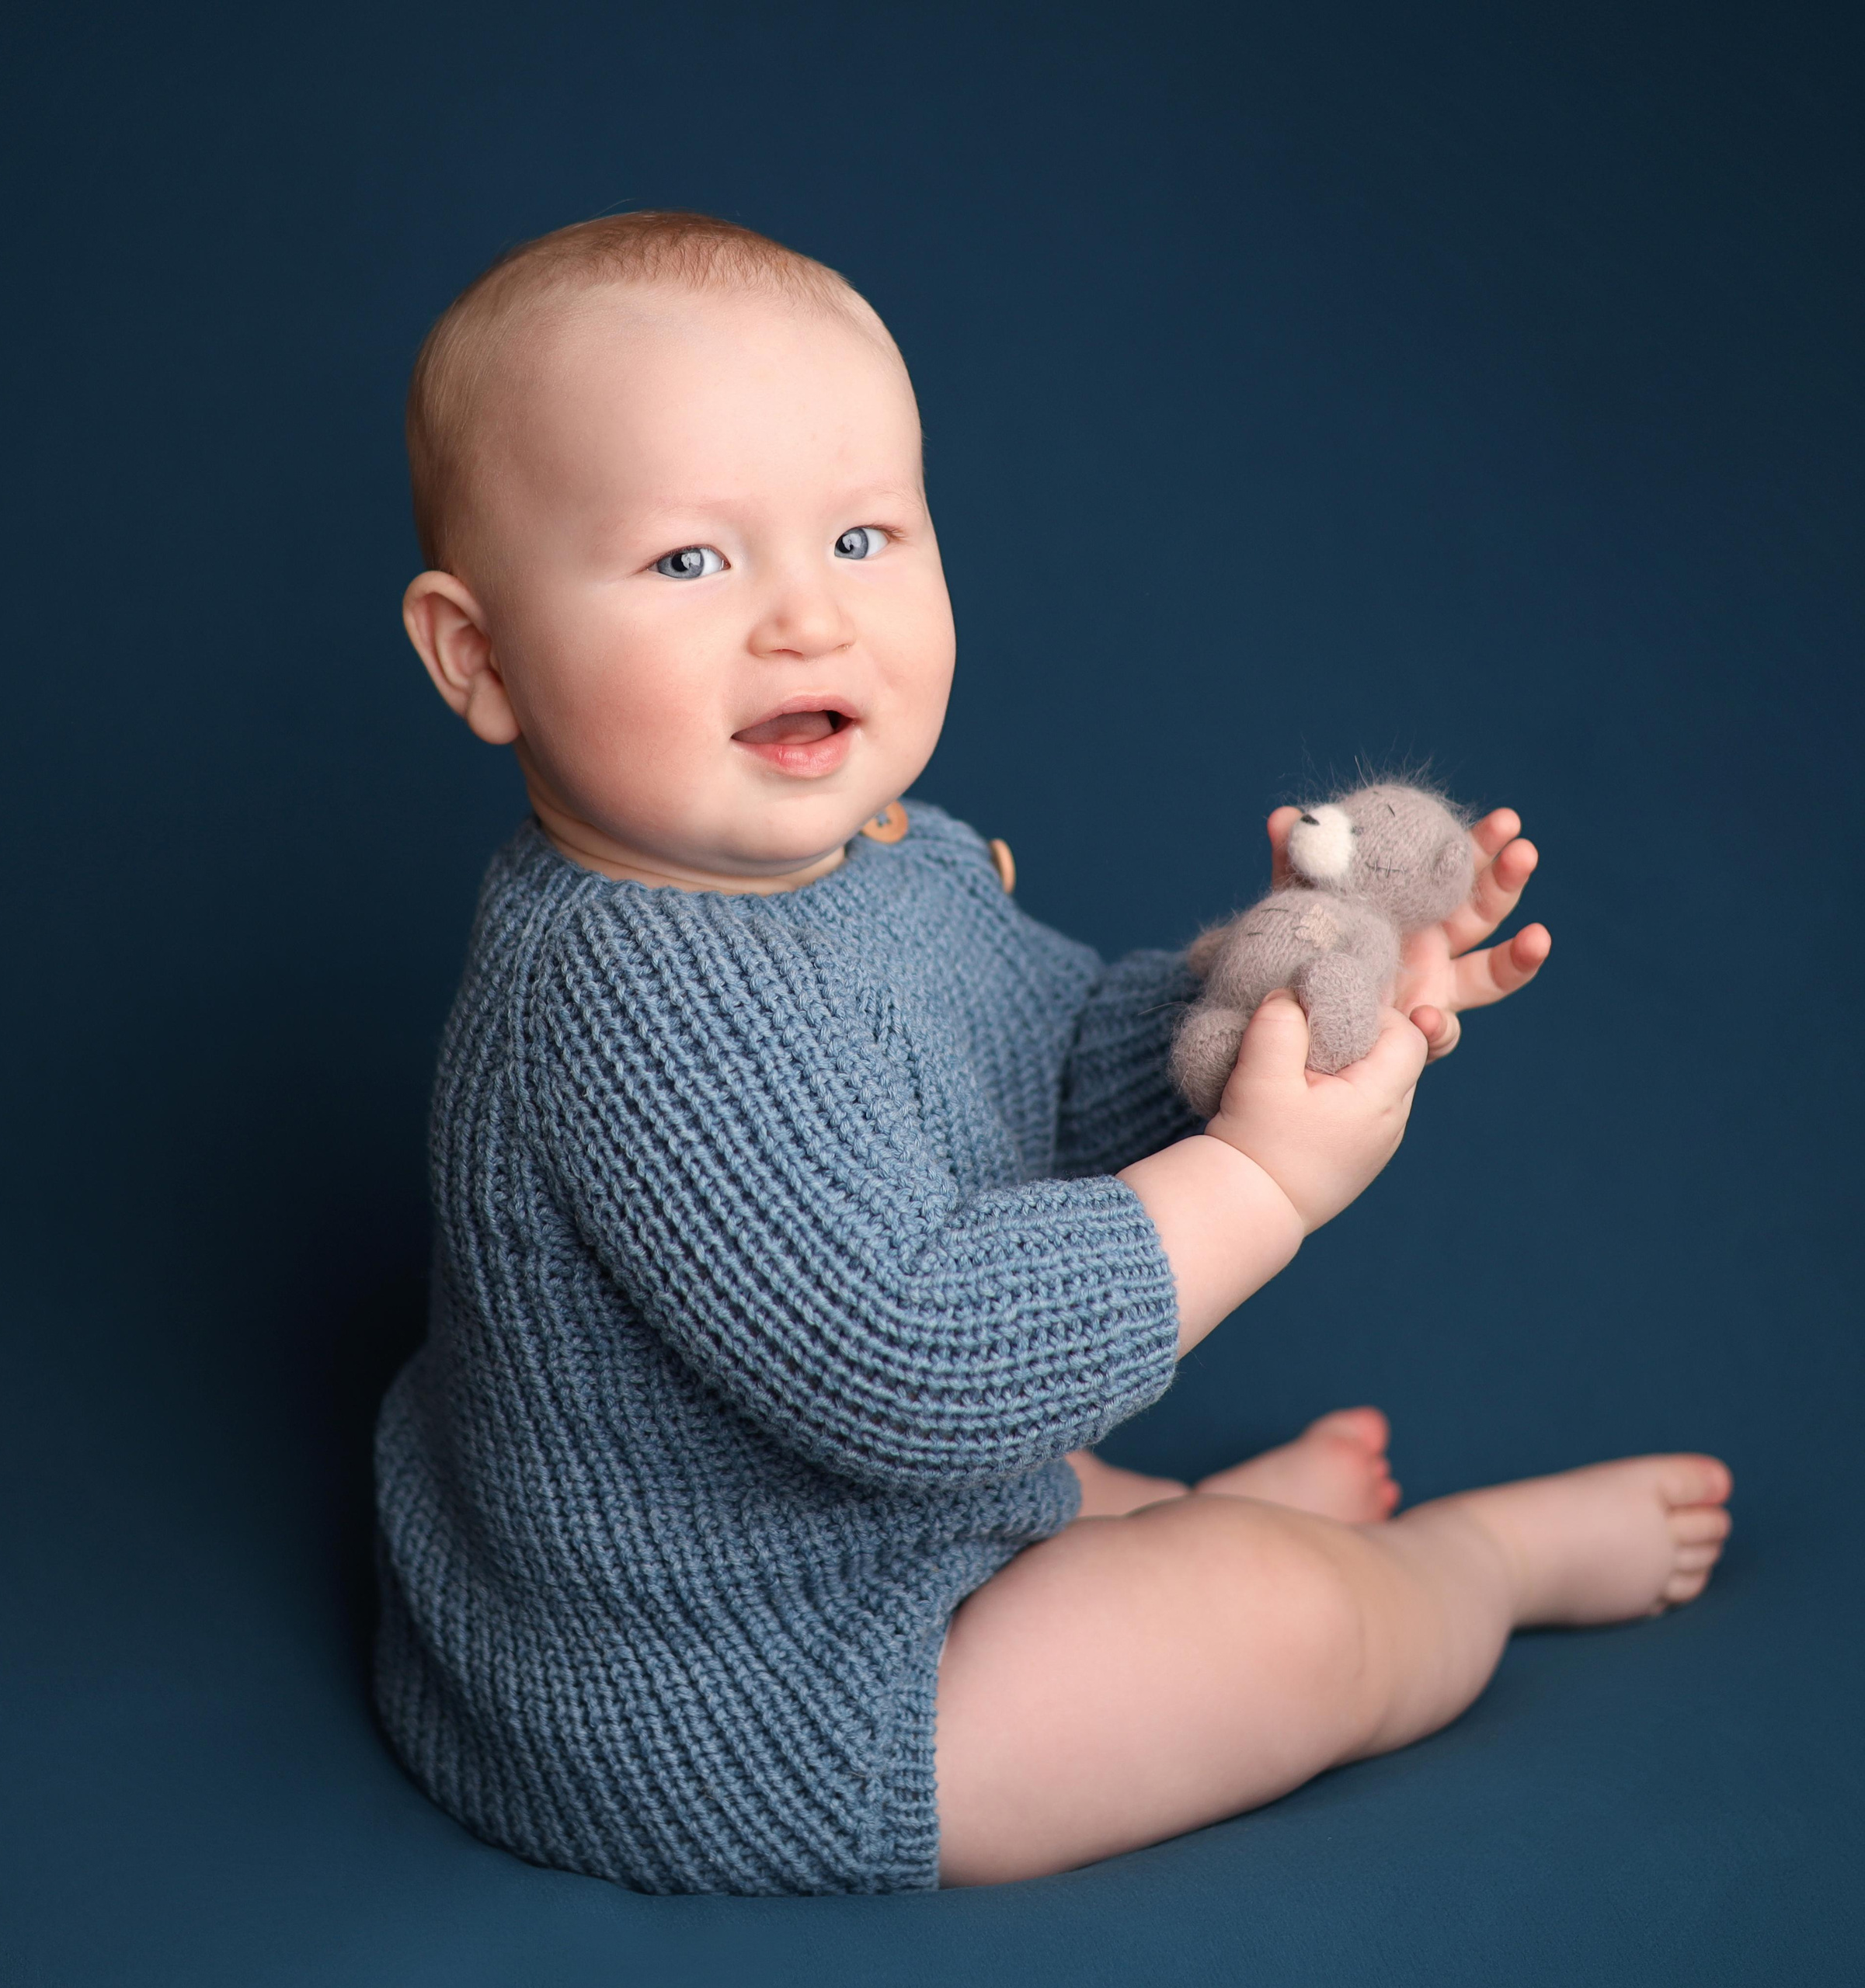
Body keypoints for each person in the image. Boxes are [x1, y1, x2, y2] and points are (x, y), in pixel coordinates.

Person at [374, 210, 1731, 1896]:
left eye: (863, 535)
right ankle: (1460, 1565)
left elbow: (1048, 1064)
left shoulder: (885, 853)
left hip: (864, 1522)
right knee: (1284, 1630)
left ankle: (1170, 1503)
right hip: (725, 1698)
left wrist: (1275, 986)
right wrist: (1254, 1179)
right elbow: (910, 1358)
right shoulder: (626, 992)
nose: (805, 619)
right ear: (480, 655)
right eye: (691, 562)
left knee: (1062, 1475)